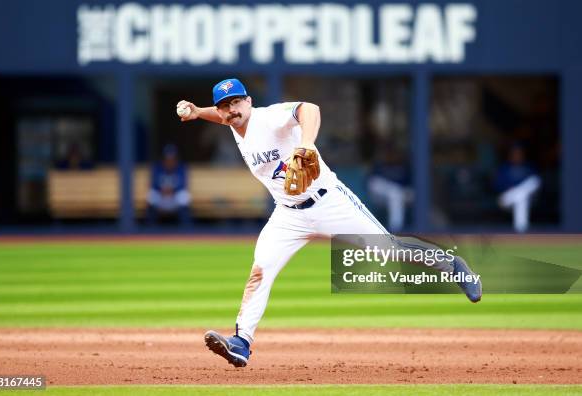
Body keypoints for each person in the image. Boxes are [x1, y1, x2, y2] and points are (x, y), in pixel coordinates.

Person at [176, 78, 482, 368]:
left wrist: (306, 144)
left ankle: (451, 263)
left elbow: (309, 109)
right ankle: (241, 342)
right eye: (225, 105)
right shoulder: (232, 123)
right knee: (260, 270)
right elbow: (224, 118)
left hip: (329, 202)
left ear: (249, 101)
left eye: (237, 101)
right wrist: (197, 112)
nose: (232, 109)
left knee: (390, 250)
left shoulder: (269, 118)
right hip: (288, 214)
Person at [146, 144, 192, 225]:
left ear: (176, 159)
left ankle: (186, 228)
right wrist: (161, 190)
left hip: (174, 197)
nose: (170, 161)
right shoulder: (157, 167)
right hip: (161, 197)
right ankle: (150, 228)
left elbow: (183, 185)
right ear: (163, 159)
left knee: (184, 196)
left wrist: (173, 190)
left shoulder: (181, 168)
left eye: (172, 159)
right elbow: (153, 184)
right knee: (151, 196)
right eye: (167, 159)